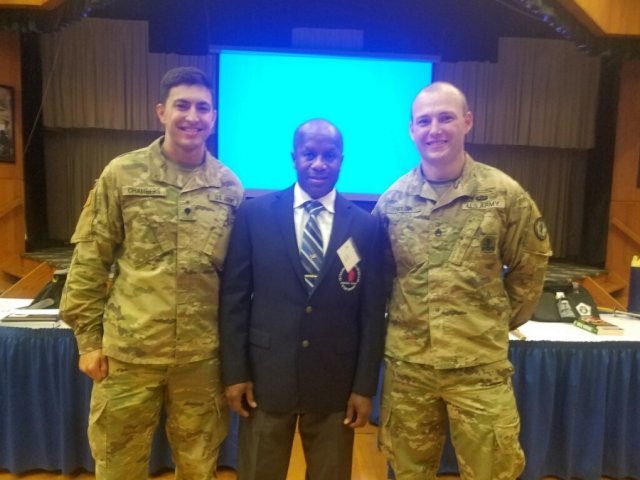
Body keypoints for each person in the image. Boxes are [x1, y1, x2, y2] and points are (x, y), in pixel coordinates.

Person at [59, 66, 244, 480]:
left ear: (214, 117)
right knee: (118, 467)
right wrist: (88, 341)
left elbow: (236, 281)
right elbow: (90, 259)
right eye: (182, 106)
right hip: (129, 356)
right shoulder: (122, 175)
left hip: (200, 360)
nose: (192, 117)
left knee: (199, 467)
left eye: (202, 108)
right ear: (161, 111)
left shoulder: (229, 187)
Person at [373, 82, 552, 480]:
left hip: (479, 369)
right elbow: (379, 280)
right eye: (424, 121)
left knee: (493, 472)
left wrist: (489, 323)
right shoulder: (393, 202)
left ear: (468, 121)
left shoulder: (504, 195)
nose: (434, 129)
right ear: (411, 130)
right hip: (409, 370)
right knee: (407, 472)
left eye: (446, 118)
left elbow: (530, 269)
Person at [219, 118, 386, 480]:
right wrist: (235, 373)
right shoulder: (254, 215)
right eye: (309, 154)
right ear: (294, 158)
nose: (319, 164)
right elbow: (234, 301)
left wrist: (364, 387)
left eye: (329, 155)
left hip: (335, 385)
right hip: (265, 380)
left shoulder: (366, 227)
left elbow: (373, 315)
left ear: (342, 160)